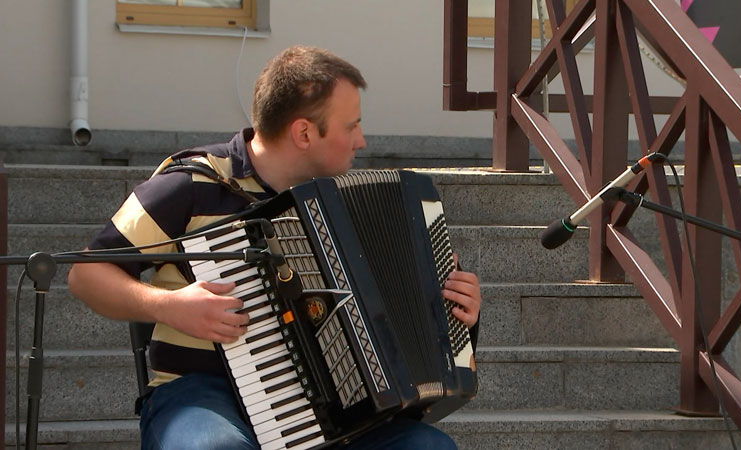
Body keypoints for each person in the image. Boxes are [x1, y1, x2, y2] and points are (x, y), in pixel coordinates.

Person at [67, 45, 481, 450]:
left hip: (332, 406)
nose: (362, 141)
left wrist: (457, 310)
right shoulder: (192, 185)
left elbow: (404, 332)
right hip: (202, 393)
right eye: (351, 126)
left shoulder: (355, 209)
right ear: (303, 132)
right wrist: (167, 306)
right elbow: (86, 273)